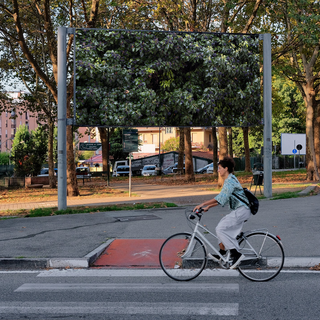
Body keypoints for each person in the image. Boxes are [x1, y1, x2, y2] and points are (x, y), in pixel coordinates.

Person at [193, 156, 251, 269]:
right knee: (221, 228)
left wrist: (202, 204)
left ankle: (236, 254)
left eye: (219, 168)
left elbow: (220, 197)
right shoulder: (230, 179)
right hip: (240, 211)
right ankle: (222, 253)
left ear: (226, 168)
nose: (218, 170)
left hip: (241, 210)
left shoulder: (230, 181)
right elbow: (224, 199)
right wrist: (209, 206)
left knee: (220, 229)